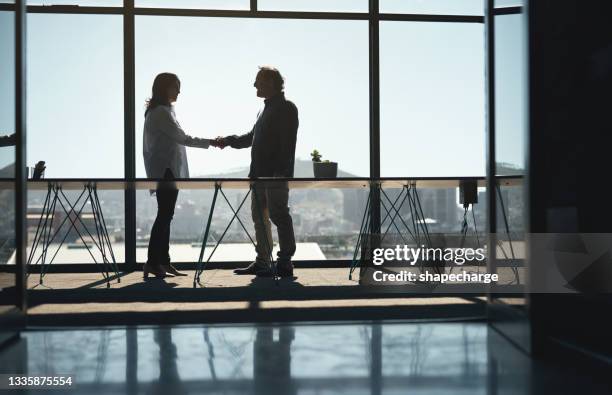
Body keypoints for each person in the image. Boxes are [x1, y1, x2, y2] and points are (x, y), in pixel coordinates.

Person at [215, 66, 298, 278]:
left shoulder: (286, 107)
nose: (254, 85)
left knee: (278, 215)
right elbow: (251, 138)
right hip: (260, 176)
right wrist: (228, 141)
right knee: (260, 218)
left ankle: (284, 262)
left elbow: (288, 143)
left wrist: (281, 172)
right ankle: (264, 262)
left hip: (274, 176)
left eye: (258, 81)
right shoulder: (265, 109)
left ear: (270, 82)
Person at [143, 72, 218, 279]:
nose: (179, 91)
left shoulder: (163, 111)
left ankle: (163, 262)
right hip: (165, 171)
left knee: (166, 215)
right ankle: (152, 262)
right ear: (164, 88)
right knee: (164, 215)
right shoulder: (161, 113)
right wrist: (211, 142)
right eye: (175, 86)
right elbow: (182, 138)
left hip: (167, 171)